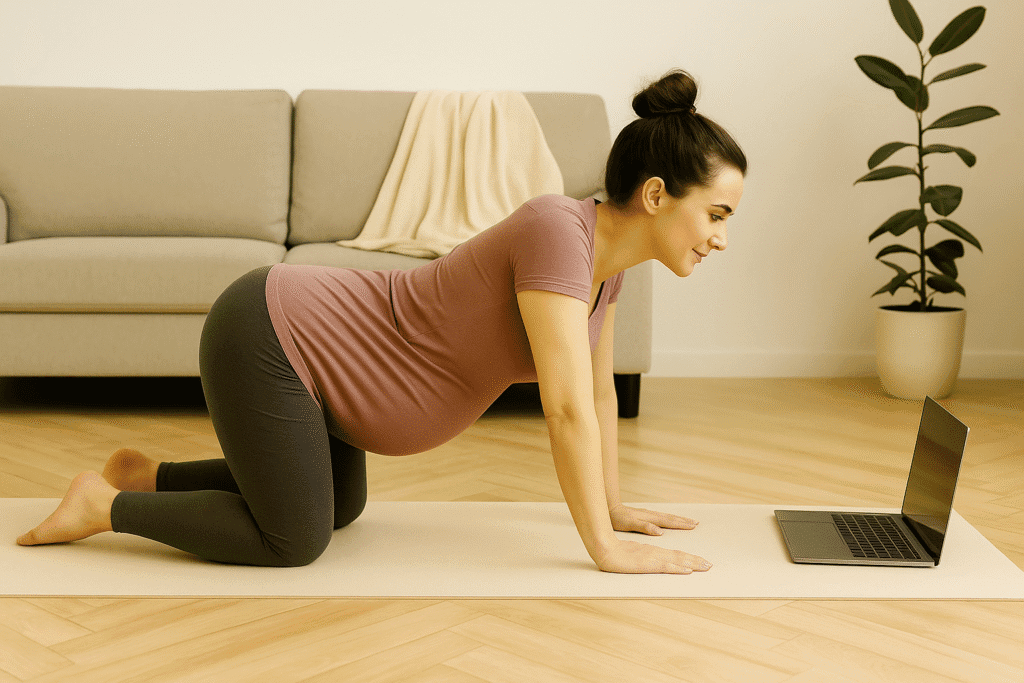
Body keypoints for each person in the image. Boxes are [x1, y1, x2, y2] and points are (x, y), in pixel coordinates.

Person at [18, 69, 746, 574]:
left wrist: (615, 509)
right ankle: (105, 506)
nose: (720, 236)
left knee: (340, 505)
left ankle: (150, 476)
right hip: (273, 332)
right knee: (294, 537)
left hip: (312, 357)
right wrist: (603, 549)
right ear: (655, 194)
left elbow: (595, 396)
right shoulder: (559, 232)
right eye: (716, 214)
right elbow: (561, 408)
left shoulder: (605, 272)